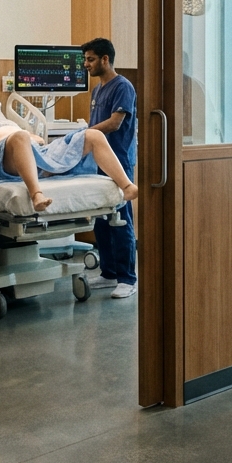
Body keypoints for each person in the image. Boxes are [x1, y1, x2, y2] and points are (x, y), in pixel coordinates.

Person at [0, 89, 139, 212]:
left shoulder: (5, 120)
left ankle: (127, 186)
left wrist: (29, 138)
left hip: (35, 151)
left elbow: (38, 140)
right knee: (21, 136)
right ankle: (36, 194)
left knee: (92, 135)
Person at [80, 38, 139, 300]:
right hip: (98, 162)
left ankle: (127, 278)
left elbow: (115, 124)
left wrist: (84, 134)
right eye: (85, 59)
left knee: (120, 218)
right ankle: (108, 273)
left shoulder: (122, 87)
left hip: (119, 161)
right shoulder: (97, 90)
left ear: (105, 59)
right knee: (102, 219)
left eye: (90, 59)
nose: (86, 64)